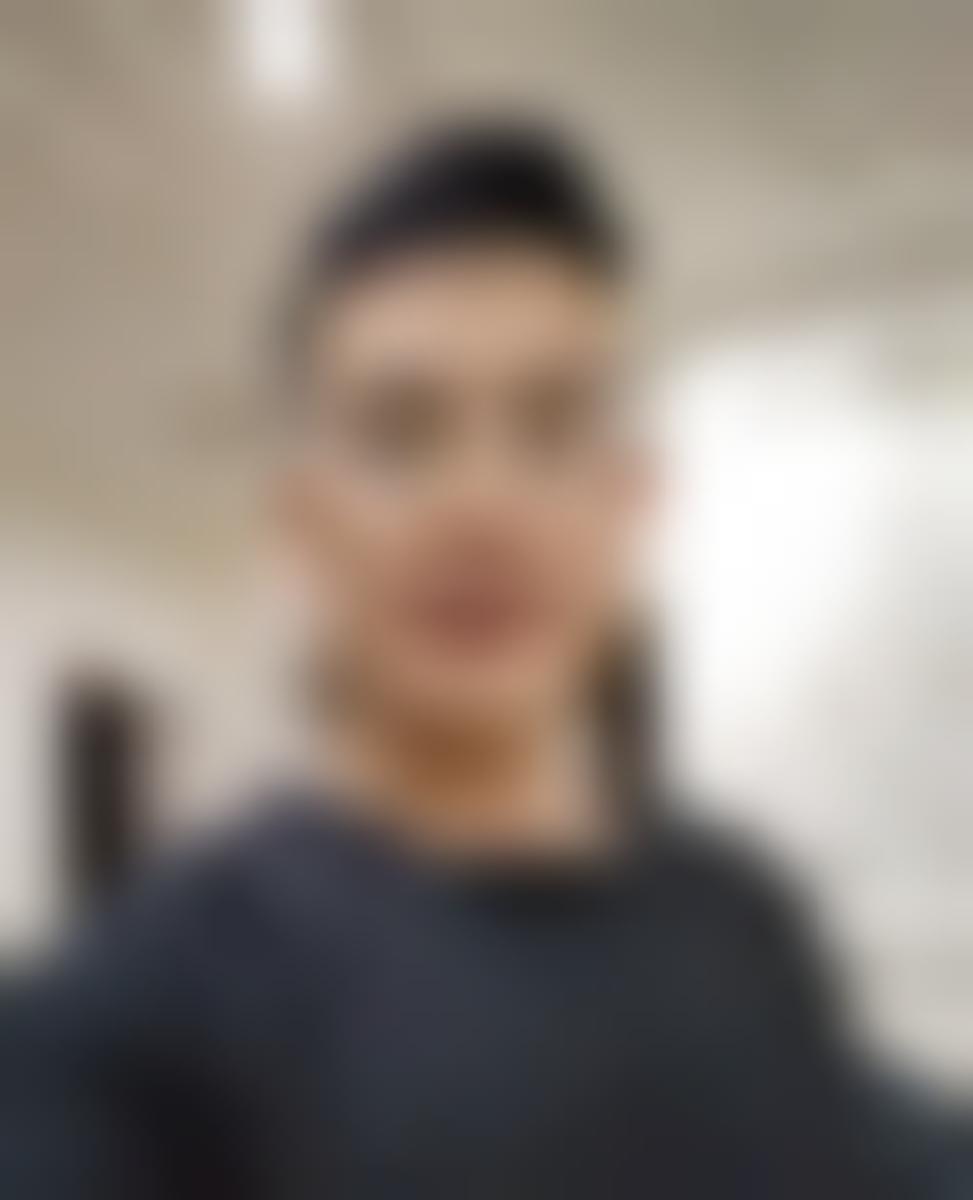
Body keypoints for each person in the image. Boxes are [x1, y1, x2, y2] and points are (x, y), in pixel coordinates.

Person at [3, 122, 957, 1199]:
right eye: (401, 434)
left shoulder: (744, 927)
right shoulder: (140, 1014)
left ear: (629, 506)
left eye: (551, 428)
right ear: (305, 526)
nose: (482, 505)